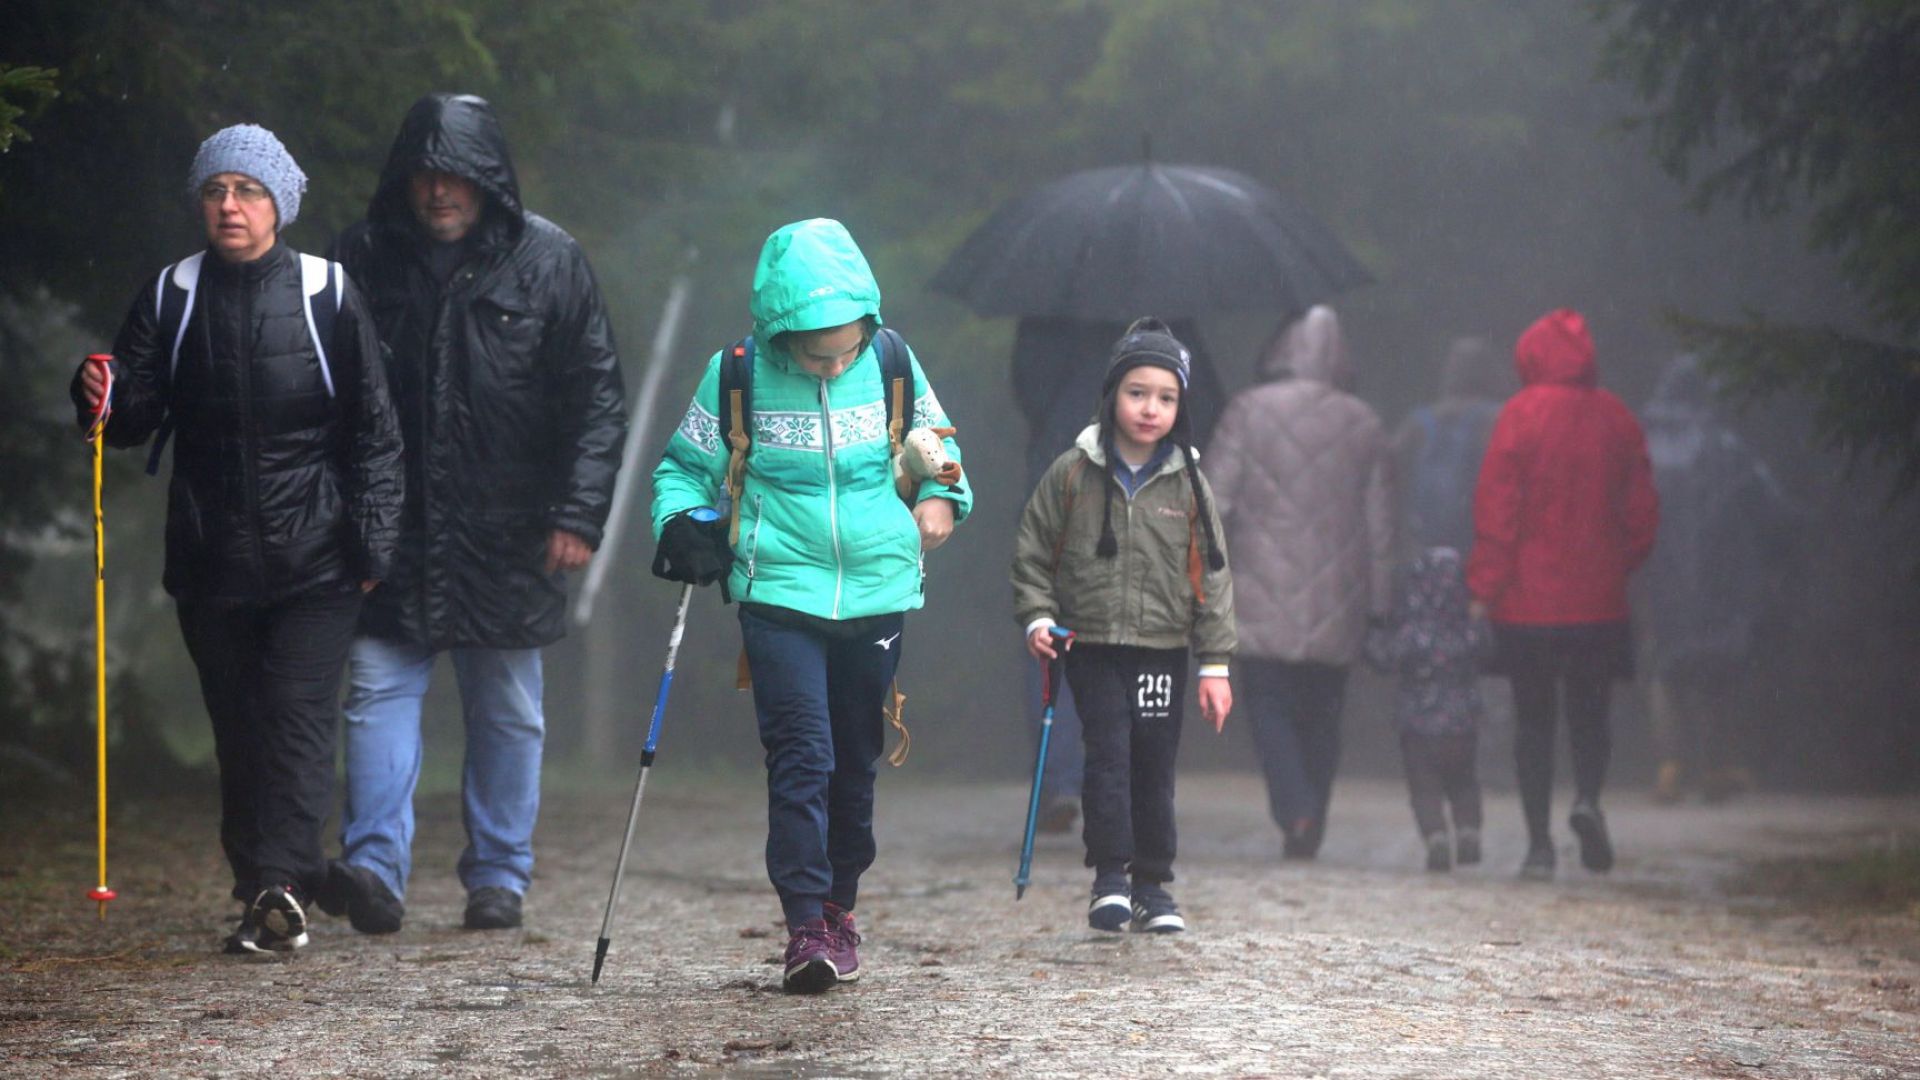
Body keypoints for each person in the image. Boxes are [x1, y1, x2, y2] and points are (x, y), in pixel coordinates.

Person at [70, 124, 403, 953]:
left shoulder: (328, 292)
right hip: (210, 560)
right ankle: (301, 881)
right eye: (216, 190)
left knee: (293, 725)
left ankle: (277, 893)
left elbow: (376, 433)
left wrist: (371, 549)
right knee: (242, 734)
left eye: (247, 191)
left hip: (317, 559)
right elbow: (133, 419)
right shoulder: (171, 295)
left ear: (279, 206)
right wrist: (94, 395)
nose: (229, 205)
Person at [324, 93, 627, 934]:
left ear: (489, 180)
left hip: (511, 530)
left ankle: (498, 877)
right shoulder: (358, 256)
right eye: (424, 175)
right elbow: (325, 393)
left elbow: (597, 397)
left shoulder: (550, 260)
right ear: (404, 181)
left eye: (457, 175)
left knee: (509, 709)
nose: (439, 192)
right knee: (376, 694)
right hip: (391, 528)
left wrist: (577, 512)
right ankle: (373, 872)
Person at [651, 218, 971, 993]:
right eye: (816, 353)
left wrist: (940, 503)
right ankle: (803, 928)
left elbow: (945, 460)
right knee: (802, 756)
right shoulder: (735, 375)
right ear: (777, 333)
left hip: (877, 594)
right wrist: (682, 526)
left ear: (870, 324)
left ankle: (839, 907)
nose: (835, 365)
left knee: (854, 764)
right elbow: (681, 472)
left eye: (848, 348)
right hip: (777, 593)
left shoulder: (892, 362)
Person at [1011, 316, 1235, 934]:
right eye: (1137, 392)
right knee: (1107, 755)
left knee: (1153, 763)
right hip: (1092, 645)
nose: (1149, 409)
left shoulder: (1189, 482)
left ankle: (1154, 886)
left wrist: (1214, 663)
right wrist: (1038, 616)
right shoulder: (1073, 472)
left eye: (1166, 397)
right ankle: (1109, 877)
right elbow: (1033, 551)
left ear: (1180, 405)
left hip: (1163, 648)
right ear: (1111, 394)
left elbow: (1213, 574)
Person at [1468, 308, 1658, 880]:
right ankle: (1588, 799)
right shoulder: (1617, 418)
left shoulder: (1518, 417)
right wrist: (1616, 564)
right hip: (1597, 603)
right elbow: (1643, 512)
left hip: (1527, 606)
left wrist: (1485, 587)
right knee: (1590, 713)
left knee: (1533, 721)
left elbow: (1497, 513)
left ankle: (1538, 846)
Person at [1205, 305, 1392, 859]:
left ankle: (1295, 807)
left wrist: (1203, 577)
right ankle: (1313, 813)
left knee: (1267, 709)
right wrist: (1380, 603)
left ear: (1283, 350)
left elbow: (1213, 501)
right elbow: (1380, 524)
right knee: (1323, 716)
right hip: (1340, 598)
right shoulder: (1365, 423)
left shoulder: (1247, 410)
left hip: (1259, 588)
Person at [1639, 354, 1790, 803]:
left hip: (1658, 572)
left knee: (1665, 669)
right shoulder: (1726, 446)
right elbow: (1772, 507)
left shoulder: (1643, 446)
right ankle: (1716, 767)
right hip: (1720, 576)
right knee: (1718, 670)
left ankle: (1669, 766)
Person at [1363, 547, 1490, 872]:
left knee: (1424, 789)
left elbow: (1384, 657)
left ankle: (1435, 836)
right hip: (1462, 727)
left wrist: (1373, 632)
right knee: (1464, 784)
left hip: (1419, 730)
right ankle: (1468, 829)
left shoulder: (1412, 632)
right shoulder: (1467, 629)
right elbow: (1488, 651)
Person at [1391, 335, 1507, 557]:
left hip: (1426, 539)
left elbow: (1389, 466)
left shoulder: (1419, 421)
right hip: (1476, 536)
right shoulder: (1497, 417)